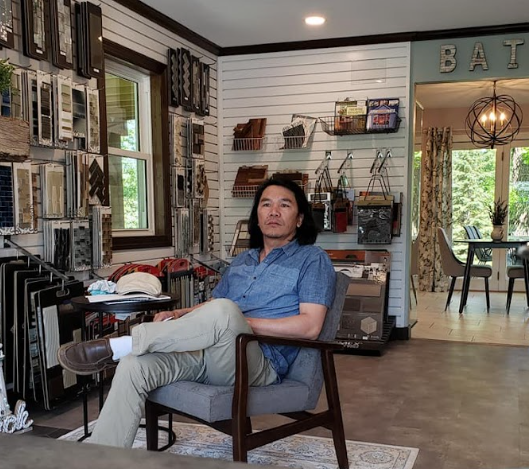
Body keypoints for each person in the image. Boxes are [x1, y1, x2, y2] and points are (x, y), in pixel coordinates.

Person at [57, 178, 336, 448]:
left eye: (284, 205)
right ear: (257, 216)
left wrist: (242, 323)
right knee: (134, 366)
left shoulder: (312, 259)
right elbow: (213, 309)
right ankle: (103, 457)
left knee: (226, 311)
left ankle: (122, 344)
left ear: (299, 219)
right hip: (208, 353)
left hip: (257, 363)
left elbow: (310, 327)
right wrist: (182, 314)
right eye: (266, 204)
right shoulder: (243, 260)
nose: (273, 211)